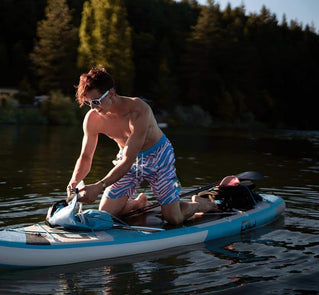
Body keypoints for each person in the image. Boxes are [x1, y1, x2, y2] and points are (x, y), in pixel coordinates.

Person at [67, 67, 215, 225]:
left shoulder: (138, 110)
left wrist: (100, 186)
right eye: (88, 103)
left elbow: (128, 160)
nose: (93, 107)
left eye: (96, 102)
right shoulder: (92, 119)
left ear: (110, 94)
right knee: (106, 213)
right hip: (127, 157)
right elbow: (86, 156)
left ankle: (200, 203)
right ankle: (139, 203)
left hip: (158, 158)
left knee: (174, 219)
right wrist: (74, 182)